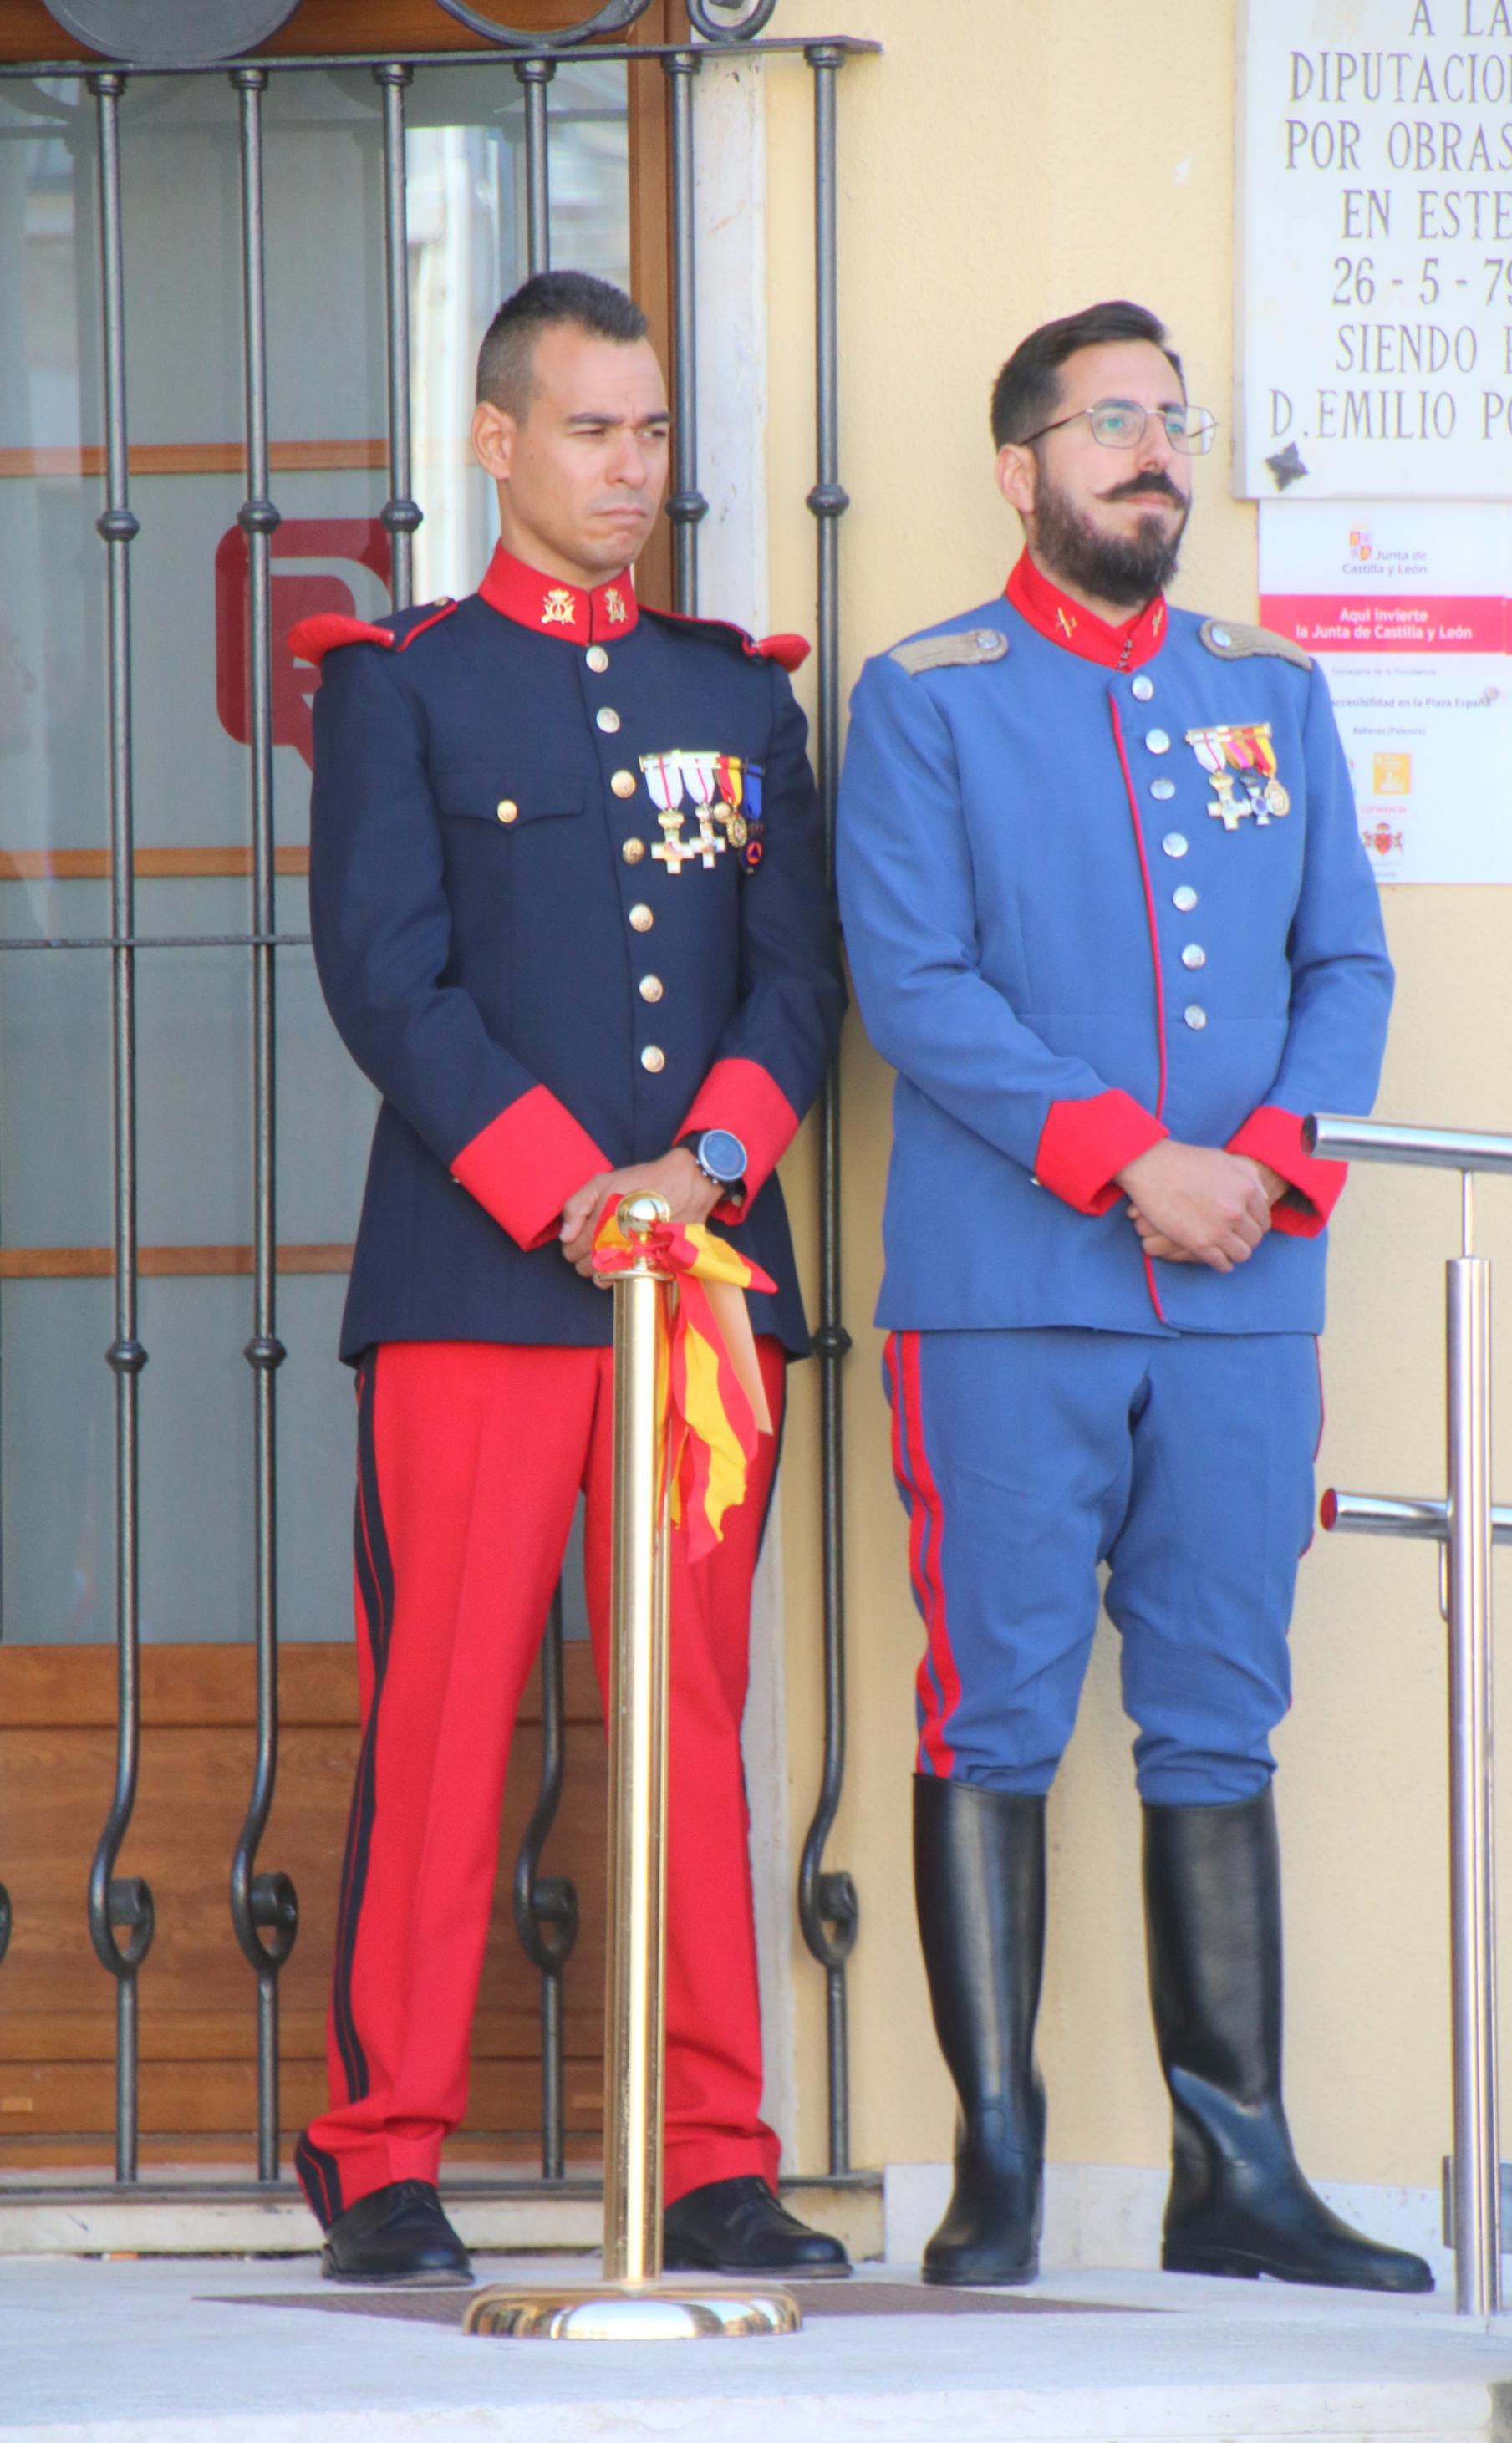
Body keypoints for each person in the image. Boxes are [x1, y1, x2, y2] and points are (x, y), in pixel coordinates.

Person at [837, 298, 1432, 2297]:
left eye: (1172, 419)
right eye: (1110, 421)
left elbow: (1345, 963)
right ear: (1022, 471)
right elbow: (914, 987)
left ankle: (1235, 2171)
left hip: (1249, 1300)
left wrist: (1264, 1156)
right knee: (992, 1714)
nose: (1153, 451)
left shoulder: (1272, 684)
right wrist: (1126, 1162)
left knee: (1218, 1720)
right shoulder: (928, 694)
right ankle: (995, 2170)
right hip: (1014, 1297)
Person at [289, 269, 847, 2286]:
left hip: (700, 1280)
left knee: (687, 1711)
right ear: (498, 441)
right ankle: (381, 2152)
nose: (634, 469)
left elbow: (796, 982)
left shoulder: (735, 693)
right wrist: (569, 1191)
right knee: (444, 1712)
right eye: (596, 431)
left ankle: (708, 2150)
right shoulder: (403, 682)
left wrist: (701, 1174)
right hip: (479, 1279)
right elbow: (389, 976)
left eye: (656, 432)